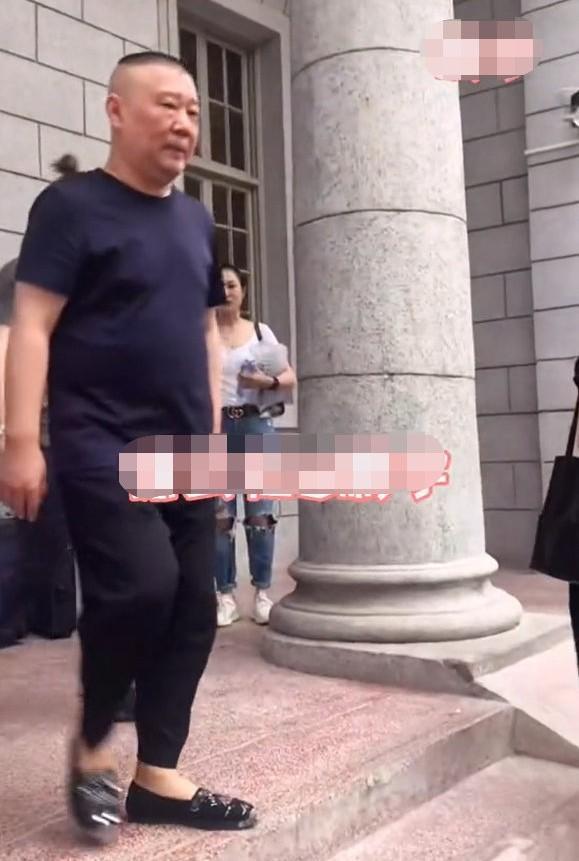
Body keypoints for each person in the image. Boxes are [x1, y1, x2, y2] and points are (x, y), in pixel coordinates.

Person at [0, 52, 256, 845]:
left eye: (193, 110)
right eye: (166, 105)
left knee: (192, 608)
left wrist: (212, 428)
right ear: (116, 110)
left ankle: (157, 777)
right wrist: (19, 440)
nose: (184, 123)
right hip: (100, 439)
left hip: (186, 446)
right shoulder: (70, 207)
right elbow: (31, 325)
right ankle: (93, 743)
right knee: (142, 587)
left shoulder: (196, 220)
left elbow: (204, 331)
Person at [215, 264, 296, 627]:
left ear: (243, 290)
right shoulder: (203, 333)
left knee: (260, 514)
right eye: (219, 286)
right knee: (219, 516)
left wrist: (265, 382)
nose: (226, 292)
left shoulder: (260, 333)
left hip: (255, 425)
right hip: (216, 429)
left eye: (232, 285)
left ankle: (262, 593)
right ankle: (225, 596)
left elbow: (289, 377)